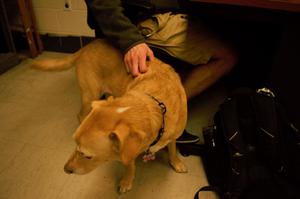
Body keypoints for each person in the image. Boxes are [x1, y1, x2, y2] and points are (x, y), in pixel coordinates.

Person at [84, 0, 238, 143]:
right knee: (227, 56)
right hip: (145, 19)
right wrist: (131, 42)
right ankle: (169, 114)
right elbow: (102, 4)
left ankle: (165, 108)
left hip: (173, 10)